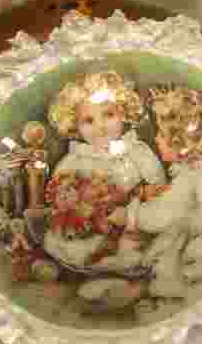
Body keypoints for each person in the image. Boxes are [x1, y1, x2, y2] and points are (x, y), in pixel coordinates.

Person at [111, 85, 202, 297]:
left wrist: (129, 215)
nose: (156, 140)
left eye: (161, 135)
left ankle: (162, 291)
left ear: (180, 142)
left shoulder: (194, 175)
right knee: (168, 241)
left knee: (165, 263)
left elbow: (162, 216)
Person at [43, 70, 166, 275]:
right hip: (89, 224)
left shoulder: (136, 150)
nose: (100, 127)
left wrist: (140, 200)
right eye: (88, 121)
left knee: (134, 244)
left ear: (124, 113)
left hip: (129, 221)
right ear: (74, 125)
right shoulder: (77, 157)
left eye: (108, 115)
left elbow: (158, 184)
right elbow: (59, 187)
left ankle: (124, 258)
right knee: (73, 243)